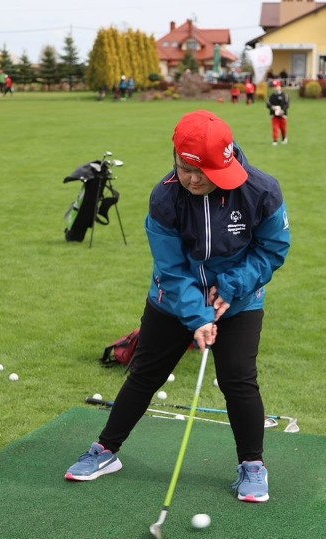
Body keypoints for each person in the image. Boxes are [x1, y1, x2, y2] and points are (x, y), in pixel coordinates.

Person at [65, 110, 291, 504]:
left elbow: (272, 249)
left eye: (203, 172)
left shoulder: (261, 191)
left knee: (239, 379)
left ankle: (252, 466)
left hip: (240, 302)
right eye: (186, 169)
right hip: (172, 302)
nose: (193, 179)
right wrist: (198, 317)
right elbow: (170, 268)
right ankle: (105, 450)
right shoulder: (165, 197)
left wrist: (232, 288)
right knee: (145, 374)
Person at [267, 80, 290, 145]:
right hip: (274, 115)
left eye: (277, 86)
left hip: (283, 115)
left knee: (283, 128)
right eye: (274, 86)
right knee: (275, 128)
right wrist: (273, 107)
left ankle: (284, 138)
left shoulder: (284, 95)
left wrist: (282, 110)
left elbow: (287, 104)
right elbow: (268, 104)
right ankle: (275, 140)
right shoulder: (272, 96)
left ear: (280, 87)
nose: (276, 88)